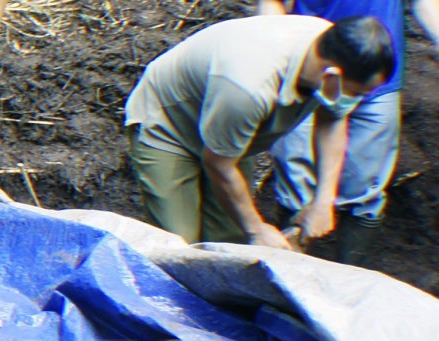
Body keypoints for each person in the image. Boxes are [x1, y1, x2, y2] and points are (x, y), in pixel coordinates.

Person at [124, 15, 395, 250]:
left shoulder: (331, 50)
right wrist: (257, 228)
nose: (356, 102)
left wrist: (323, 201)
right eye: (357, 94)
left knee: (230, 241)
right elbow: (218, 163)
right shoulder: (249, 86)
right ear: (332, 76)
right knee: (180, 244)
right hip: (171, 128)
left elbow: (332, 121)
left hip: (232, 134)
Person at [259, 0, 439, 264]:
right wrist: (277, 51)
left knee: (366, 183)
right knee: (295, 177)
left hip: (377, 79)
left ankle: (349, 277)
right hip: (310, 71)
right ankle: (285, 272)